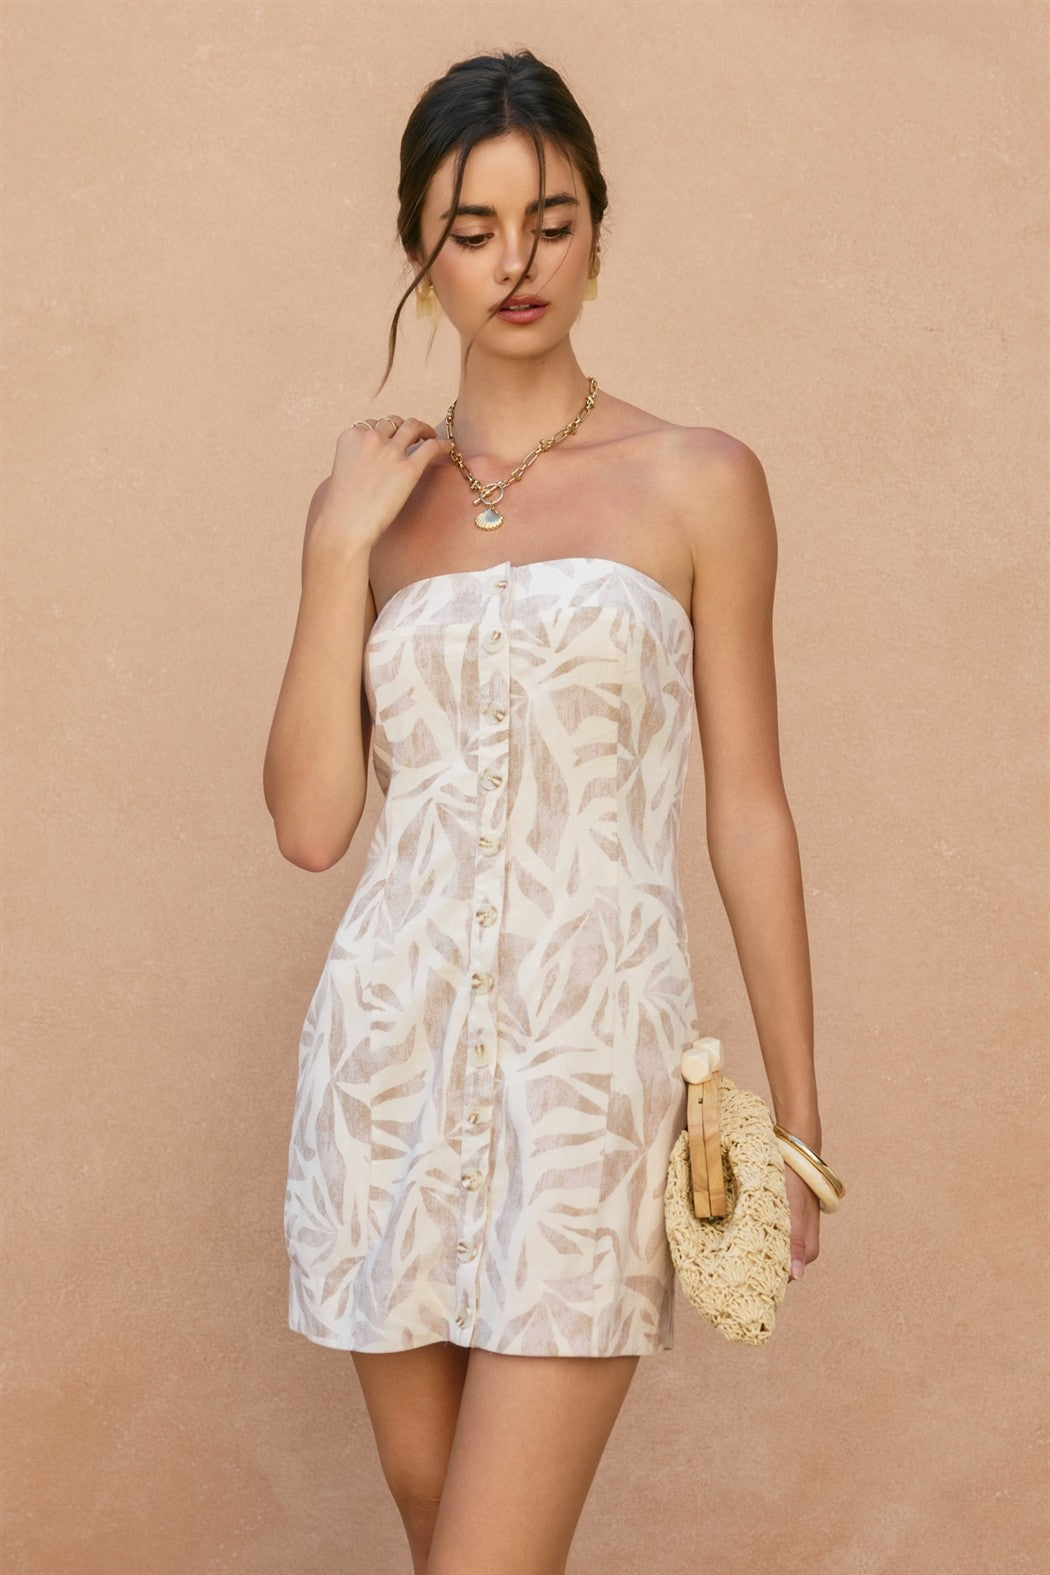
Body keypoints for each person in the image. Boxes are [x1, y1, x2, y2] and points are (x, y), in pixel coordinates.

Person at [264, 48, 827, 1575]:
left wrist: (792, 1117)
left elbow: (749, 811)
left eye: (552, 219)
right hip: (384, 1077)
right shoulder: (377, 510)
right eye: (472, 228)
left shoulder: (698, 479)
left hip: (593, 1083)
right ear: (417, 250)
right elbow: (315, 826)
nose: (516, 263)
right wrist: (332, 555)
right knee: (444, 1541)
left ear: (595, 229)